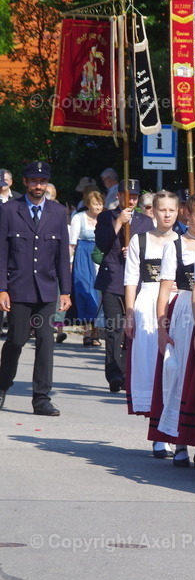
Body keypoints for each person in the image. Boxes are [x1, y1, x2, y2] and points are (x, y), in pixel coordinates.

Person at [0, 161, 72, 416]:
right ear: (25, 182)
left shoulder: (57, 212)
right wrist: (2, 288)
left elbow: (62, 255)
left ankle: (41, 398)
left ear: (47, 183)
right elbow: (2, 252)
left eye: (42, 181)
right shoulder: (9, 210)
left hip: (46, 288)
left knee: (45, 342)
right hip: (18, 288)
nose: (38, 186)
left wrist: (66, 291)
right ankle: (2, 385)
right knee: (16, 340)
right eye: (33, 181)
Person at [151, 193, 195, 467]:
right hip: (183, 313)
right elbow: (164, 290)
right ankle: (178, 440)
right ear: (186, 215)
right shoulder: (174, 246)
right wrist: (162, 328)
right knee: (179, 374)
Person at [124, 190, 179, 456]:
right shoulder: (140, 240)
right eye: (162, 210)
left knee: (173, 365)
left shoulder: (183, 241)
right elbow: (130, 278)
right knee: (152, 366)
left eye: (171, 210)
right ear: (153, 211)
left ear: (178, 212)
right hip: (147, 303)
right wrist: (130, 312)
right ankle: (158, 432)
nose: (167, 215)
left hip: (176, 304)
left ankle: (173, 429)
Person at [95, 179, 153, 393]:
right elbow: (102, 243)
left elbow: (152, 249)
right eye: (127, 196)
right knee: (114, 329)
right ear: (118, 196)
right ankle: (114, 374)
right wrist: (118, 222)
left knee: (132, 329)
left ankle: (128, 372)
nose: (131, 201)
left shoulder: (146, 222)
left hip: (135, 282)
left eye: (135, 197)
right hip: (112, 279)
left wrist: (138, 253)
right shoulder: (106, 217)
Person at [69, 190, 104, 346]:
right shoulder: (79, 218)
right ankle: (86, 332)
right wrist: (69, 262)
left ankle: (96, 332)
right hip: (83, 256)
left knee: (98, 294)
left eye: (100, 204)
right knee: (84, 291)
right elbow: (72, 243)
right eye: (95, 204)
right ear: (88, 204)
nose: (98, 207)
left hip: (100, 256)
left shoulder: (105, 218)